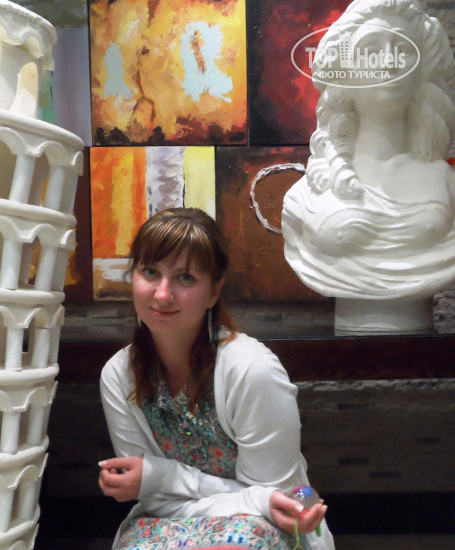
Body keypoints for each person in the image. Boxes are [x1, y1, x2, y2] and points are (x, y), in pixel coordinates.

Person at [98, 208, 334, 550]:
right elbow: (154, 499)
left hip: (263, 523)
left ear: (214, 290)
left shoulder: (252, 370)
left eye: (185, 278)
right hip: (165, 519)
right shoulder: (119, 375)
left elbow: (277, 501)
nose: (162, 294)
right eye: (150, 272)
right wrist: (155, 483)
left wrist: (160, 476)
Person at [282, 0, 455, 311]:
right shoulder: (307, 195)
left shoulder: (446, 184)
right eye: (371, 49)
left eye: (403, 51)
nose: (388, 62)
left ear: (421, 72)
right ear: (343, 75)